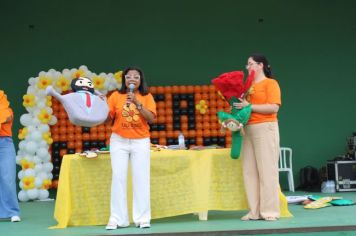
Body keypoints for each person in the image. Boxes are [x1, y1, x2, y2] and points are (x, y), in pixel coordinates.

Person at [106, 67, 156, 230]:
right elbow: (108, 120)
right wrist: (101, 106)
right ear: (124, 80)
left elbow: (151, 119)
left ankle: (142, 218)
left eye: (136, 77)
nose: (132, 79)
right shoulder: (115, 96)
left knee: (141, 178)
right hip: (119, 141)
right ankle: (117, 219)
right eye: (129, 77)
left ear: (141, 80)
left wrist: (137, 102)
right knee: (118, 178)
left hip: (140, 141)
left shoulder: (147, 96)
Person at [234, 54, 281, 221]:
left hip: (265, 128)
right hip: (248, 129)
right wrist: (235, 119)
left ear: (261, 65)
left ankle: (269, 212)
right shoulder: (248, 87)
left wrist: (250, 105)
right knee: (249, 171)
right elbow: (245, 110)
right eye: (247, 64)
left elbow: (274, 107)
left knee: (267, 171)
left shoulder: (270, 83)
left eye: (250, 64)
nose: (247, 67)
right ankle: (254, 211)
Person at [0, 90, 21, 222]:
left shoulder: (5, 105)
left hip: (4, 143)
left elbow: (7, 117)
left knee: (7, 178)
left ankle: (12, 212)